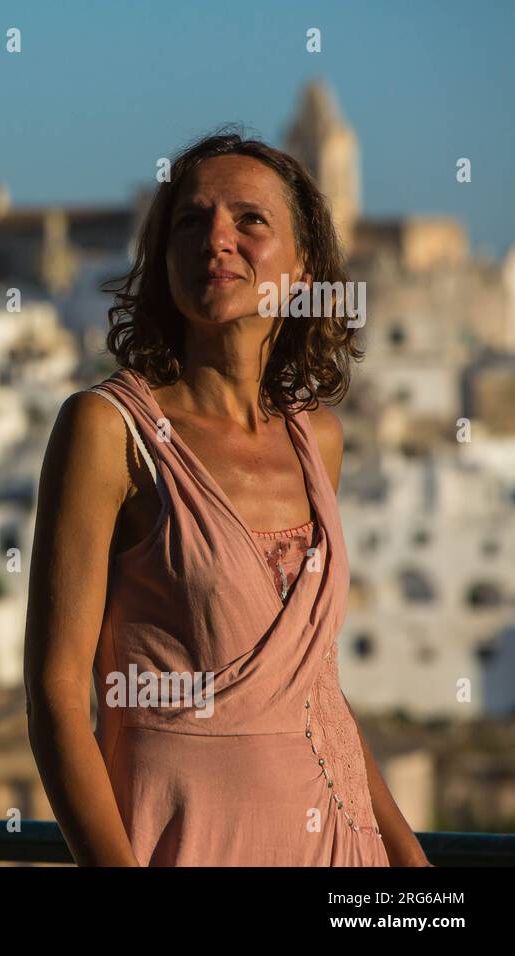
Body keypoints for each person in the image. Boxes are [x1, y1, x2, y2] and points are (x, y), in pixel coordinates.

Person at [24, 129, 431, 867]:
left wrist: (410, 865)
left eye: (250, 220)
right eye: (191, 220)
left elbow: (317, 693)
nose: (217, 237)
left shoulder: (319, 441)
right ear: (162, 260)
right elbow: (55, 693)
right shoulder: (106, 430)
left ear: (303, 270)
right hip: (190, 840)